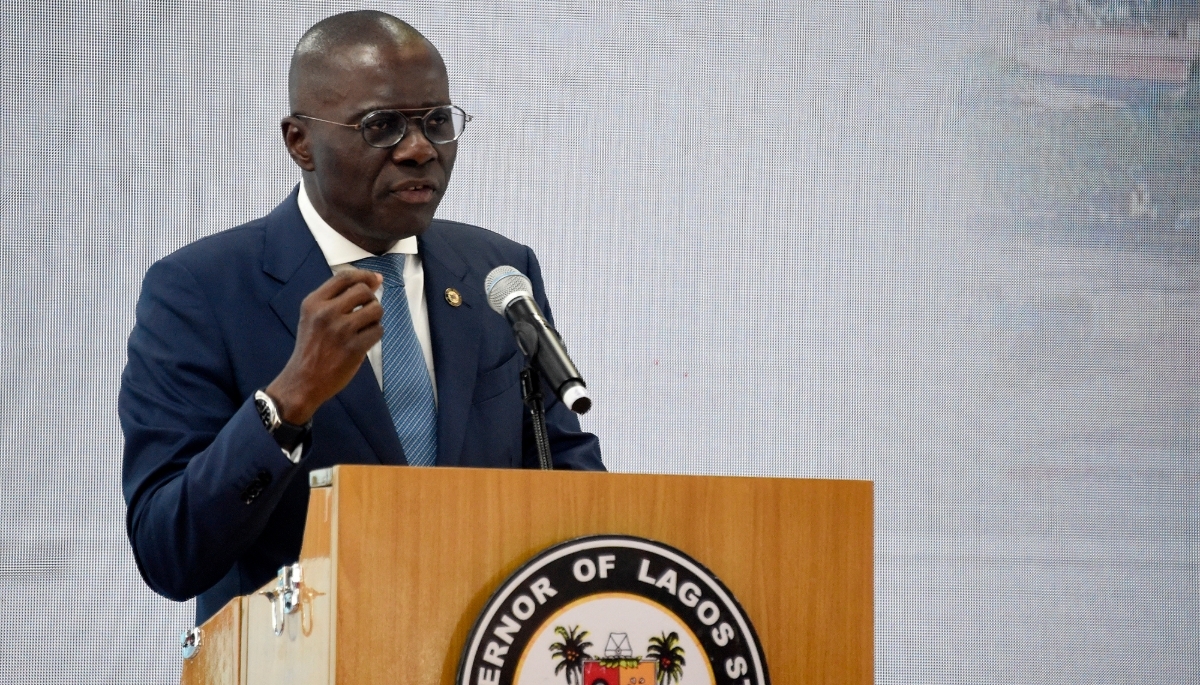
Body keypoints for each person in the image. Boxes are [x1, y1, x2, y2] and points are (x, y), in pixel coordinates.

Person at [119, 10, 603, 625]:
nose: (420, 149)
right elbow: (168, 552)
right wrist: (290, 399)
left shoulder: (497, 273)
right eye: (383, 126)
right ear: (300, 142)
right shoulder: (200, 291)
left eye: (436, 122)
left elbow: (569, 479)